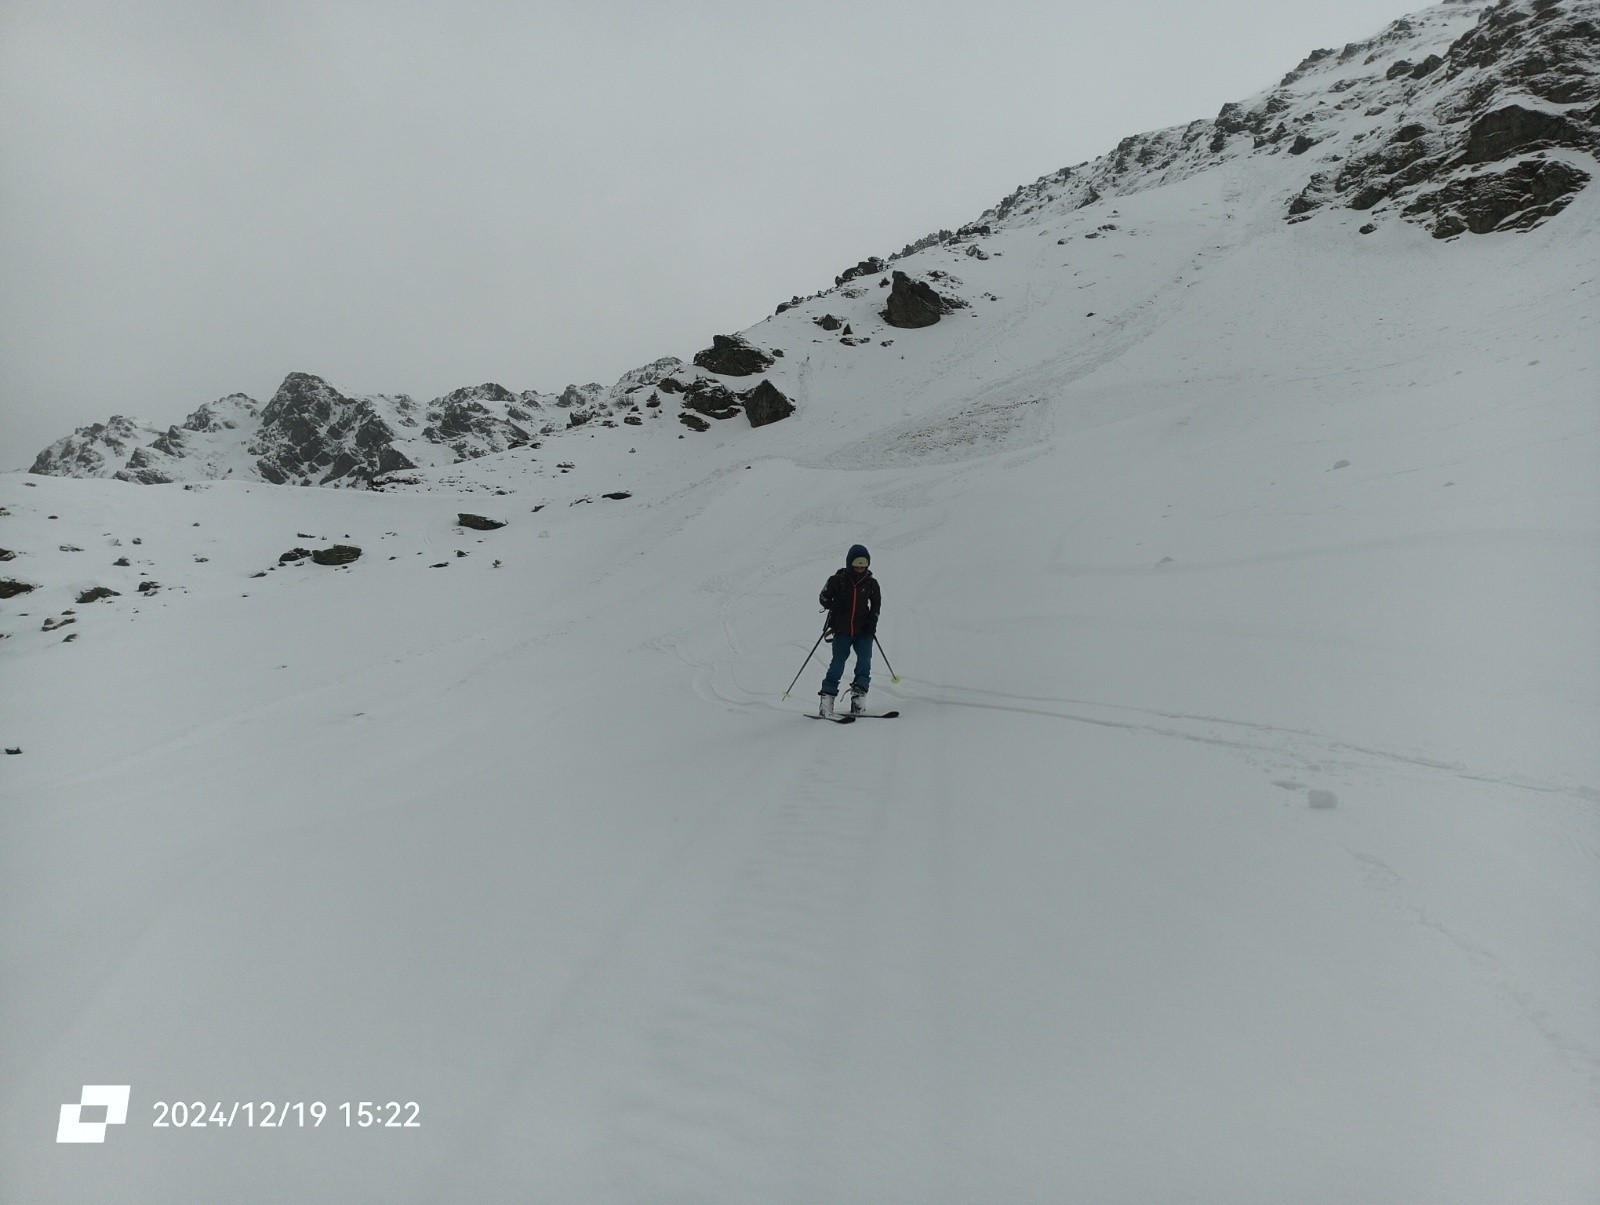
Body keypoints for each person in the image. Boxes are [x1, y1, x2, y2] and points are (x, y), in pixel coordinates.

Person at [817, 544, 881, 716]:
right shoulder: (837, 580)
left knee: (864, 661)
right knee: (838, 663)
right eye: (856, 565)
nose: (860, 568)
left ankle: (858, 698)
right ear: (849, 563)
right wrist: (833, 604)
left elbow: (876, 604)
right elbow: (823, 598)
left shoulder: (871, 584)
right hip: (842, 630)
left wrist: (872, 622)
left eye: (863, 565)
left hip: (863, 631)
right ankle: (827, 700)